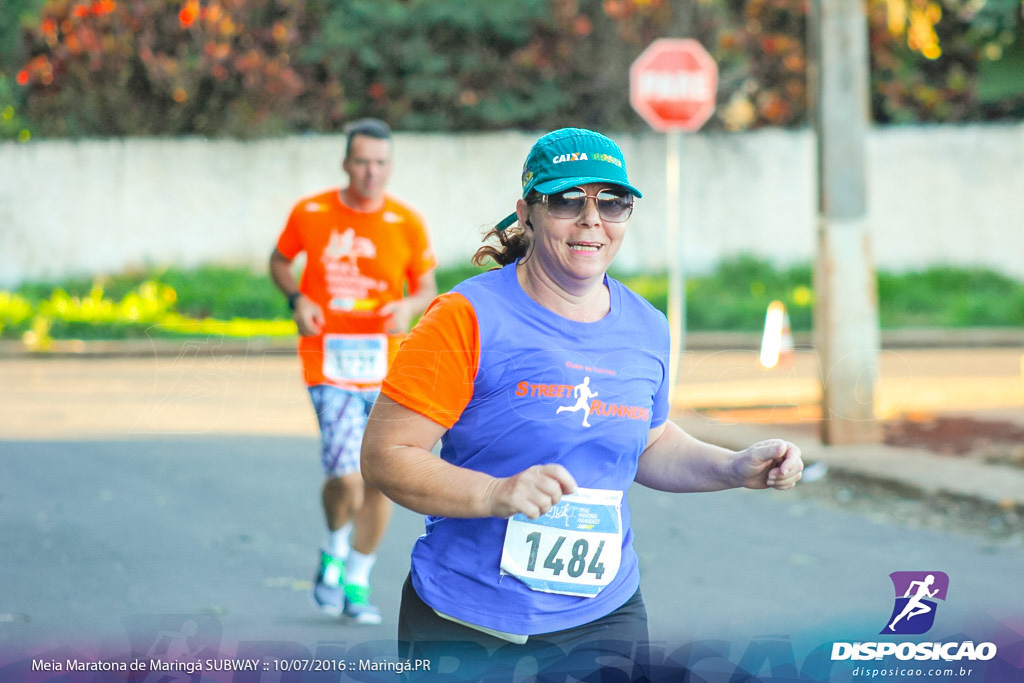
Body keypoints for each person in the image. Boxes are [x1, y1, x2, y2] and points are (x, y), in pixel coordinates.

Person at [360, 127, 803, 676]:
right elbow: (387, 454)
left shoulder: (647, 326)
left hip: (603, 616)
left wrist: (732, 466)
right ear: (527, 213)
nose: (592, 219)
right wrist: (497, 492)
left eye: (613, 202)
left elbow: (648, 440)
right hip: (468, 622)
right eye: (568, 200)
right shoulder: (464, 317)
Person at [269, 118, 438, 625]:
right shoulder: (312, 212)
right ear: (346, 163)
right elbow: (279, 262)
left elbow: (426, 287)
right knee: (346, 476)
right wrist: (297, 299)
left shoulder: (406, 222)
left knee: (380, 480)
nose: (371, 172)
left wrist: (409, 308)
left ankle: (358, 580)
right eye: (362, 161)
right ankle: (334, 543)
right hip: (329, 362)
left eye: (381, 163)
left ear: (390, 166)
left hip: (387, 367)